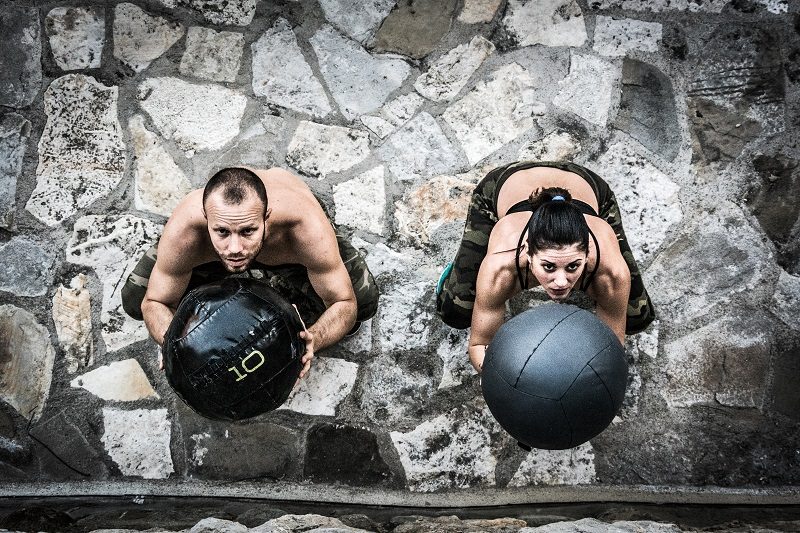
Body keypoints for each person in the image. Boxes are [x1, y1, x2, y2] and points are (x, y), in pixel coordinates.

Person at [122, 167, 379, 378]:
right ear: (205, 218)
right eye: (222, 231)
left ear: (266, 217)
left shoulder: (303, 228)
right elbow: (155, 301)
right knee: (136, 299)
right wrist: (174, 344)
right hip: (208, 256)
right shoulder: (187, 230)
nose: (235, 249)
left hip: (286, 249)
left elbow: (344, 303)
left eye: (247, 231)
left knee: (363, 303)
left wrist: (315, 338)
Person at [435, 161, 655, 373]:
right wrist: (500, 377)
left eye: (572, 266)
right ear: (528, 252)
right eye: (549, 266)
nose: (561, 282)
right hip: (505, 185)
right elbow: (479, 345)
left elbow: (612, 354)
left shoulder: (610, 272)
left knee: (638, 316)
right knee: (455, 309)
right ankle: (457, 271)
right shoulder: (500, 269)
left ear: (587, 253)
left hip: (585, 184)